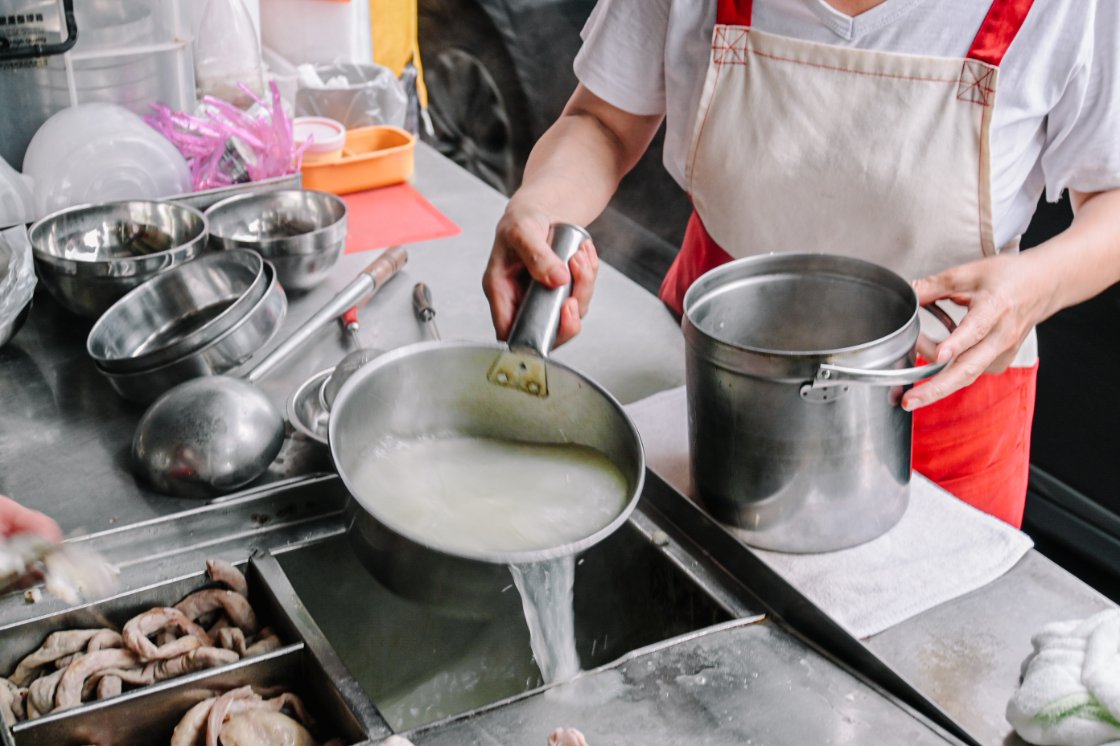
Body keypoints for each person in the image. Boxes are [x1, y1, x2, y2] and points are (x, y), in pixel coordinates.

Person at [482, 0, 1120, 529]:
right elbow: (602, 122)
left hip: (942, 413)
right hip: (718, 390)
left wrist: (1035, 286)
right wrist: (540, 206)